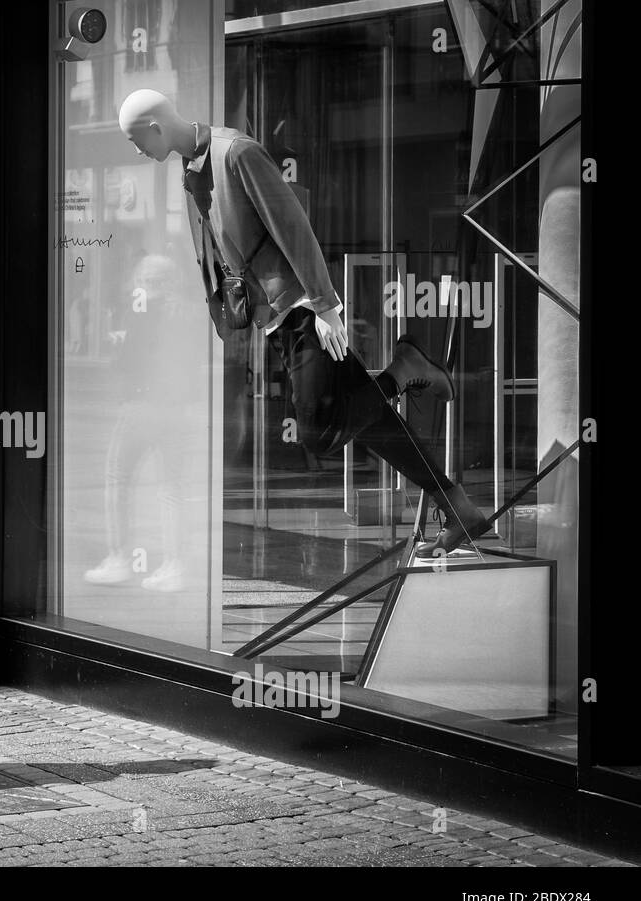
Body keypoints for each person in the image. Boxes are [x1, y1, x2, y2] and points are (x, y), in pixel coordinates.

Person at [117, 89, 487, 557]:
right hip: (273, 315)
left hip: (299, 308)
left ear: (154, 127)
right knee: (368, 421)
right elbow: (213, 252)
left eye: (135, 140)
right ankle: (458, 506)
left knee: (320, 432)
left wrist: (325, 305)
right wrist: (226, 316)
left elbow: (292, 225)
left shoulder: (237, 153)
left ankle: (402, 370)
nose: (136, 151)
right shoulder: (192, 171)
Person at [84, 254, 205, 592]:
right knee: (172, 488)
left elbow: (128, 359)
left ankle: (119, 557)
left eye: (143, 278)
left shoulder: (142, 308)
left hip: (143, 406)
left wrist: (120, 344)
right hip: (178, 410)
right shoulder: (188, 310)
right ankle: (174, 565)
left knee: (117, 477)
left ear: (148, 280)